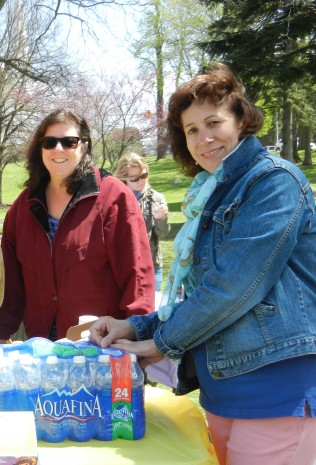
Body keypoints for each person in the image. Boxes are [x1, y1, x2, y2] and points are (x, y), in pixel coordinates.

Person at [88, 63, 316, 465]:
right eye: (191, 129)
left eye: (213, 122)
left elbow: (233, 288)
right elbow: (198, 296)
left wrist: (160, 343)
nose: (203, 138)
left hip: (278, 388)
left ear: (241, 119)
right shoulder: (209, 193)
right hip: (224, 388)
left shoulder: (274, 182)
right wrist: (136, 325)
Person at [0, 109, 155, 343]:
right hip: (41, 349)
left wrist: (136, 334)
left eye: (69, 142)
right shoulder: (23, 207)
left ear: (84, 146)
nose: (58, 149)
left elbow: (137, 275)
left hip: (102, 346)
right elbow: (11, 284)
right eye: (49, 142)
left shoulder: (113, 197)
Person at [114, 153, 170, 291]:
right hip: (122, 266)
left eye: (144, 176)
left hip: (152, 266)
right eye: (135, 178)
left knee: (151, 309)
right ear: (123, 179)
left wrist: (160, 219)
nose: (141, 181)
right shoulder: (114, 199)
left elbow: (162, 234)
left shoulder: (157, 198)